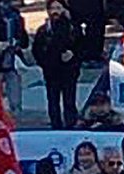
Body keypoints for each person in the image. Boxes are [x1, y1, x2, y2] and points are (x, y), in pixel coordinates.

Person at [32, 0, 85, 130]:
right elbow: (37, 51)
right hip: (51, 72)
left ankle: (71, 124)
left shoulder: (73, 28)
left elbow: (82, 47)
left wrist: (73, 55)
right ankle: (56, 126)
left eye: (58, 8)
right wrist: (46, 63)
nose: (56, 11)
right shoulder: (44, 30)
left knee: (69, 100)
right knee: (53, 101)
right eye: (53, 8)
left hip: (69, 71)